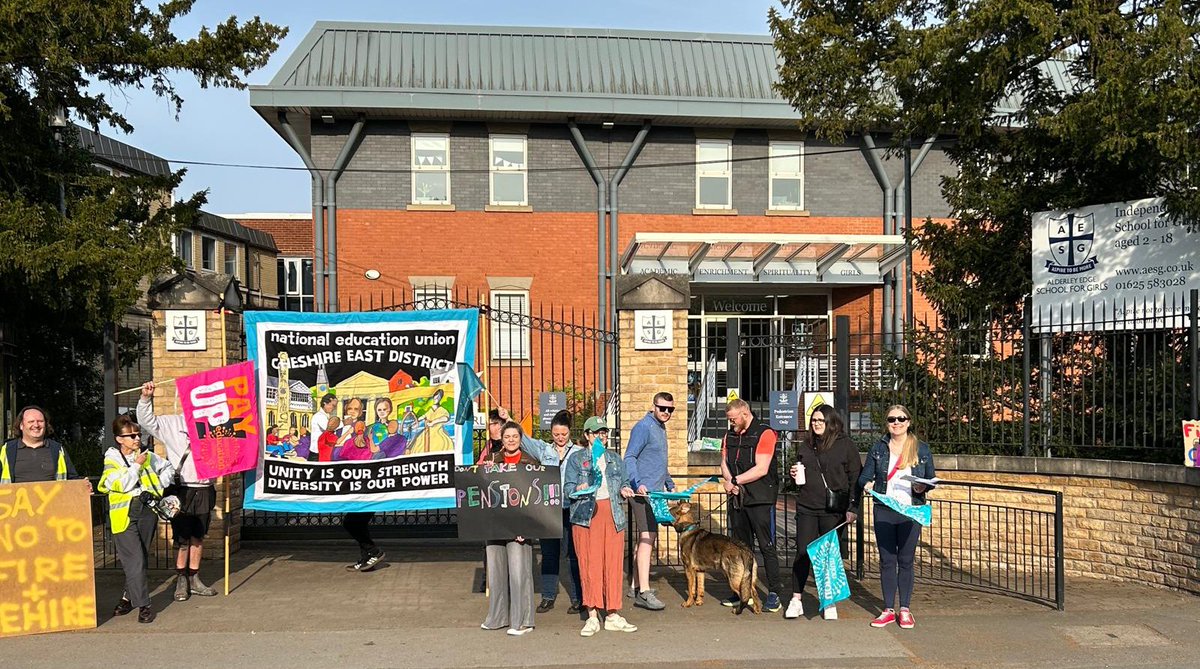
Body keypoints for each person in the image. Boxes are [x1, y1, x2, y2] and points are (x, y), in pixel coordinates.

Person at [136, 382, 219, 603]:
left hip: (205, 488)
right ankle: (181, 579)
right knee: (182, 539)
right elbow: (147, 421)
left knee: (198, 538)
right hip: (183, 489)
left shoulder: (215, 425)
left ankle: (195, 578)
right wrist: (145, 399)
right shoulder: (173, 424)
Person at [857, 404, 936, 630]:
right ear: (887, 423)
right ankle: (889, 609)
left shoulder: (921, 449)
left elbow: (931, 477)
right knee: (887, 560)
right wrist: (868, 484)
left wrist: (923, 488)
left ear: (908, 422)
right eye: (892, 419)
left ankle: (905, 609)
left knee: (906, 560)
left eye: (901, 419)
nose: (897, 423)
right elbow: (863, 477)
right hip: (885, 508)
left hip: (911, 511)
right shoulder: (879, 448)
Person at [564, 416, 638, 636]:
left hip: (613, 515)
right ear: (587, 435)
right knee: (589, 564)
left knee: (613, 564)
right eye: (596, 433)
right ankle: (593, 615)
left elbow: (623, 482)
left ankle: (613, 614)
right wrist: (580, 485)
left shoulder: (614, 458)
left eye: (604, 432)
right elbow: (568, 489)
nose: (601, 437)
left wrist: (625, 489)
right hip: (587, 516)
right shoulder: (577, 459)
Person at [786, 404, 861, 620]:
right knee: (803, 552)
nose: (816, 424)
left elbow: (855, 478)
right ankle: (796, 599)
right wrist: (794, 473)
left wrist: (853, 508)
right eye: (814, 420)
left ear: (831, 422)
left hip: (833, 509)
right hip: (807, 506)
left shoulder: (844, 445)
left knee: (828, 556)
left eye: (821, 420)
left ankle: (828, 601)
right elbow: (800, 472)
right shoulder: (807, 445)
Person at [98, 414, 175, 624]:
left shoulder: (147, 455)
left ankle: (127, 597)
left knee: (139, 558)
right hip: (124, 515)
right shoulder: (112, 459)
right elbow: (121, 484)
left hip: (147, 511)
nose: (136, 438)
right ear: (119, 439)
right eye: (131, 435)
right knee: (136, 560)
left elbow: (168, 467)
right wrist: (136, 466)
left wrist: (161, 482)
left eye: (138, 434)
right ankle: (144, 605)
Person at [510, 407, 584, 614]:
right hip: (549, 509)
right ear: (551, 433)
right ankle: (548, 596)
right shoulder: (544, 450)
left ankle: (579, 598)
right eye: (556, 434)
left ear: (570, 432)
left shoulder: (578, 453)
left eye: (564, 434)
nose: (560, 438)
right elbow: (522, 439)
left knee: (573, 555)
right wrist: (509, 418)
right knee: (549, 554)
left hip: (572, 508)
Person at [719, 398, 783, 613]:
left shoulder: (765, 433)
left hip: (760, 498)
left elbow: (762, 468)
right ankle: (741, 592)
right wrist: (729, 482)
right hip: (738, 499)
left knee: (766, 546)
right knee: (740, 548)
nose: (731, 424)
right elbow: (724, 463)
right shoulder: (729, 435)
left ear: (745, 414)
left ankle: (774, 592)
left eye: (734, 419)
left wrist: (736, 481)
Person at [480, 421, 540, 636]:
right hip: (494, 526)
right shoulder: (491, 460)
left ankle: (523, 621)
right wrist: (482, 473)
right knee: (495, 573)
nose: (511, 440)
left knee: (518, 573)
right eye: (507, 437)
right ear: (502, 440)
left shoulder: (530, 462)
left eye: (515, 436)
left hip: (520, 529)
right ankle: (497, 618)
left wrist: (528, 527)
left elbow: (534, 500)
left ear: (520, 439)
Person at [623, 392, 676, 611]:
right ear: (653, 406)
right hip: (643, 494)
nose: (666, 412)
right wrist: (637, 483)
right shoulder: (643, 427)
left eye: (670, 410)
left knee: (645, 540)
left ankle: (636, 584)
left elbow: (659, 463)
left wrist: (670, 483)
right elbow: (629, 457)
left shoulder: (660, 428)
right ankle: (644, 592)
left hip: (656, 494)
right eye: (662, 408)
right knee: (647, 538)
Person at [1, 406, 81, 484]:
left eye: (40, 421)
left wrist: (84, 487)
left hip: (53, 497)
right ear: (21, 425)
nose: (36, 425)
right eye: (31, 421)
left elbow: (73, 479)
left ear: (46, 424)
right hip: (16, 498)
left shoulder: (57, 449)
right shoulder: (7, 449)